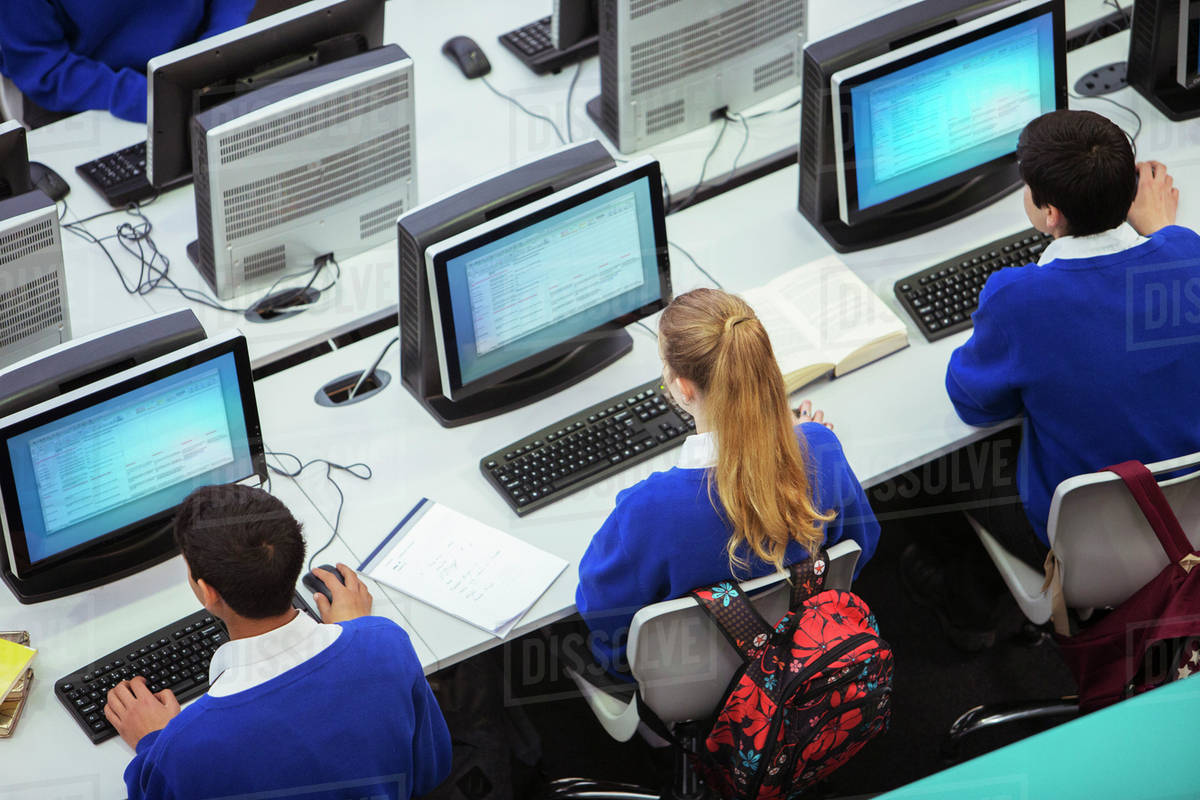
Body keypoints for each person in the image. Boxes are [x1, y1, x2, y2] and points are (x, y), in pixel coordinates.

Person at [909, 108, 1200, 646]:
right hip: (1188, 524)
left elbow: (972, 403)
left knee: (948, 463)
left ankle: (968, 610)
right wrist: (1162, 235)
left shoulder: (1019, 299)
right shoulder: (1185, 251)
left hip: (1090, 552)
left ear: (1049, 214)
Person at [576, 288, 881, 678]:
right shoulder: (822, 450)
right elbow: (862, 548)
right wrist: (802, 440)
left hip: (689, 686)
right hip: (812, 655)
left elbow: (601, 617)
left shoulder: (646, 510)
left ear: (683, 387)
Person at [103, 484, 452, 800]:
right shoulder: (386, 643)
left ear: (208, 592)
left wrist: (153, 743)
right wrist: (358, 633)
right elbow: (429, 771)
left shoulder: (185, 746)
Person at [0, 0, 255, 125]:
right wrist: (153, 99)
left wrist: (217, 47)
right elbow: (44, 66)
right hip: (84, 94)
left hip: (199, 60)